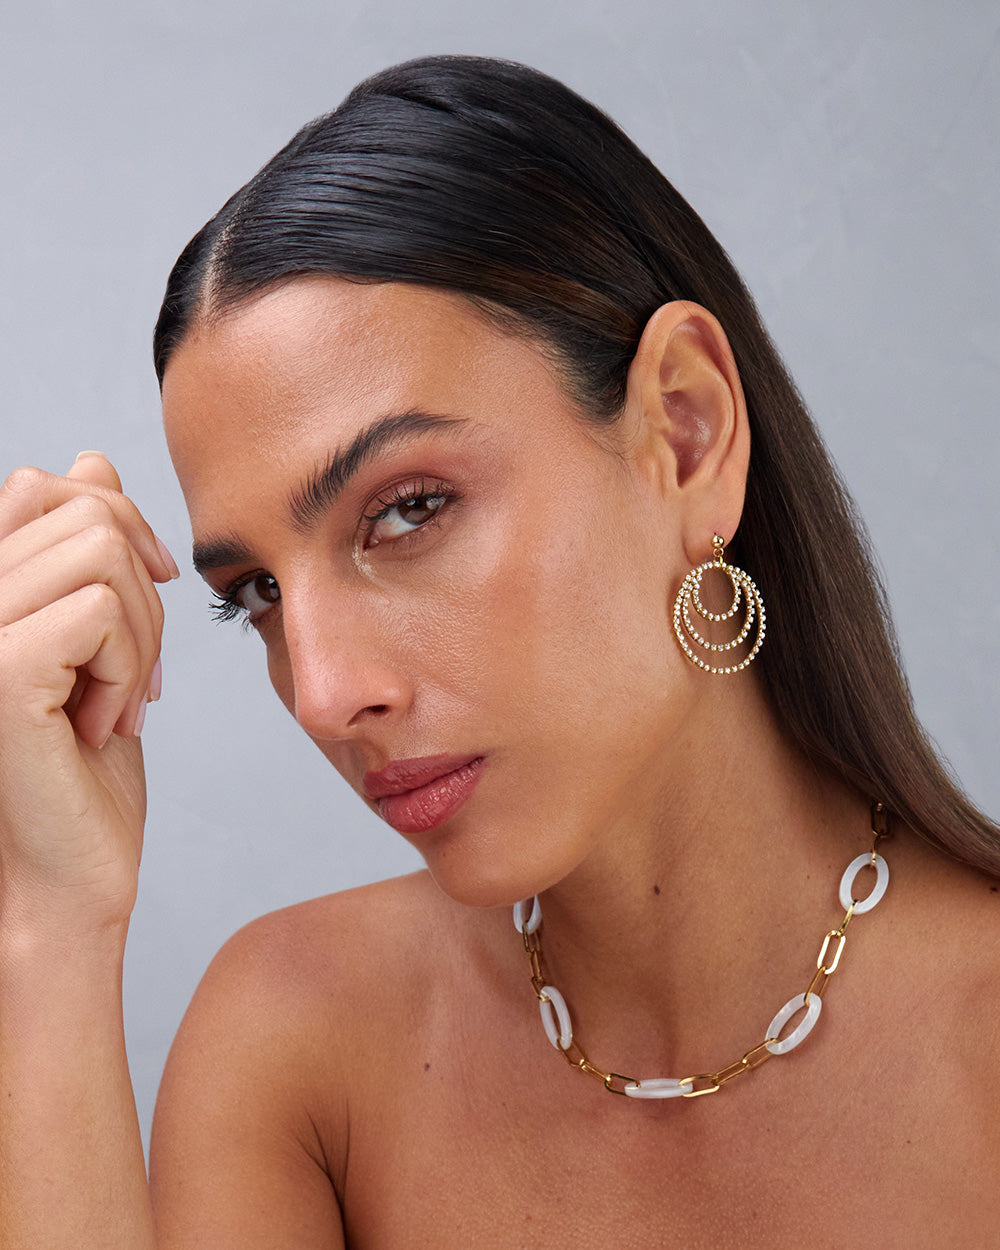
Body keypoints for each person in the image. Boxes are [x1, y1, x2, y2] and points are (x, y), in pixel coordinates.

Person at [1, 53, 997, 1248]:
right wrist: (53, 925)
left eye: (407, 509)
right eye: (255, 591)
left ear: (683, 432)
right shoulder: (299, 1050)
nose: (324, 692)